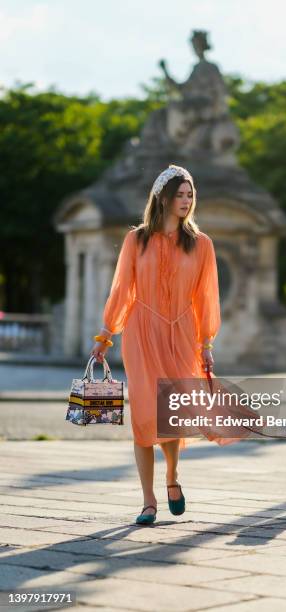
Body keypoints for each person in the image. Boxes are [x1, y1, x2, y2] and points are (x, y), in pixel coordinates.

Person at [90, 164, 221, 525]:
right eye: (179, 194)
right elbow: (122, 290)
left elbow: (207, 297)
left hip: (181, 335)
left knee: (171, 417)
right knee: (145, 416)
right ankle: (148, 501)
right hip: (141, 333)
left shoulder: (202, 245)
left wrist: (206, 342)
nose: (186, 200)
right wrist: (106, 335)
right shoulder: (137, 240)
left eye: (190, 194)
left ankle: (172, 477)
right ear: (162, 198)